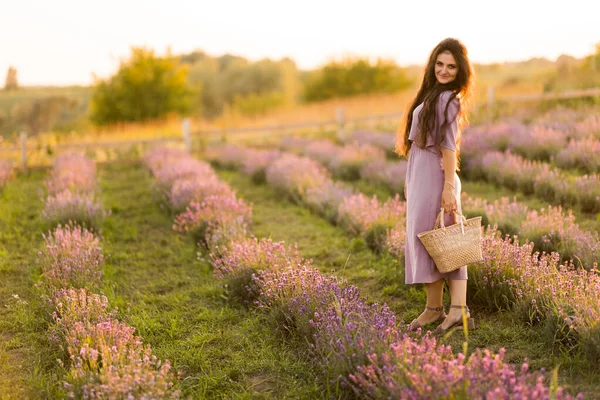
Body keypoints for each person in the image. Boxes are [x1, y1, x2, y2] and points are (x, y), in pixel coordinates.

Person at [395, 37, 475, 335]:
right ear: (432, 65)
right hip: (422, 171)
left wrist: (448, 187)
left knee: (444, 237)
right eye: (440, 64)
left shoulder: (449, 99)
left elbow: (450, 145)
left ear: (459, 71)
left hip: (435, 173)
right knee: (430, 237)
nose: (444, 70)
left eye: (451, 67)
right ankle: (441, 308)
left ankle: (453, 309)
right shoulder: (432, 94)